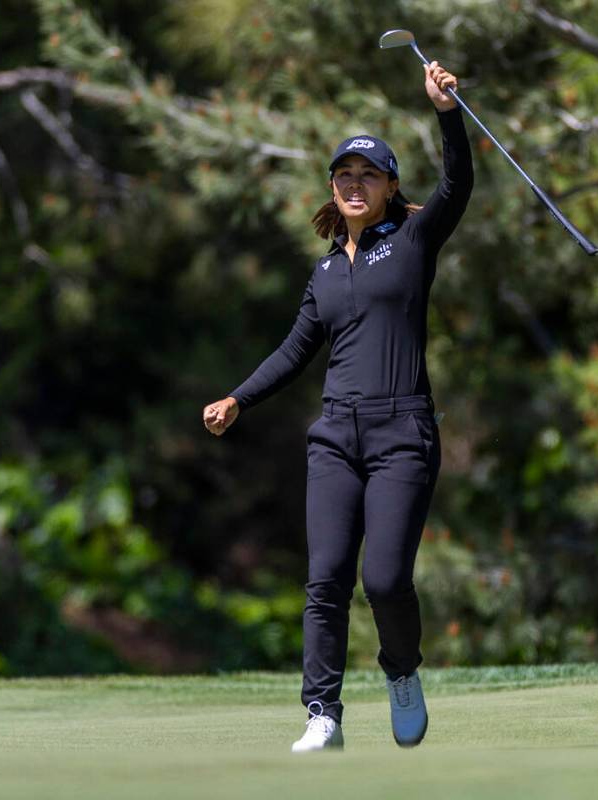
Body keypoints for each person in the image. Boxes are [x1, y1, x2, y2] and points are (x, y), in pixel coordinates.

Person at [202, 61, 472, 752]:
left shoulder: (411, 242)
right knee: (324, 581)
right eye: (343, 176)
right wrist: (239, 398)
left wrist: (445, 113)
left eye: (367, 175)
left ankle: (401, 672)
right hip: (334, 439)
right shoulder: (323, 272)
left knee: (383, 579)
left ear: (387, 188)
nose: (354, 185)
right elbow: (294, 351)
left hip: (402, 433)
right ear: (333, 187)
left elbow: (457, 185)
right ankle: (322, 713)